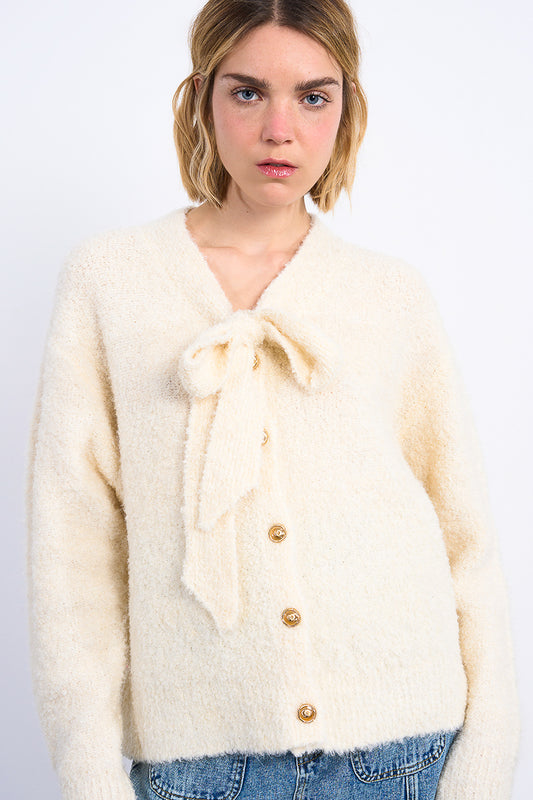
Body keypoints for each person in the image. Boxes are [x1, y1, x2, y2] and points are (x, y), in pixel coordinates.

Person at [25, 1, 520, 799]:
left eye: (312, 96)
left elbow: (464, 535)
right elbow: (74, 546)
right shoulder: (109, 281)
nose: (279, 130)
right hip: (199, 767)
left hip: (401, 756)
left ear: (346, 108)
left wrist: (487, 759)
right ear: (201, 98)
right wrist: (88, 776)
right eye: (248, 92)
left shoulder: (390, 294)